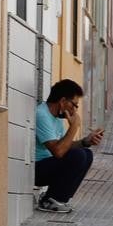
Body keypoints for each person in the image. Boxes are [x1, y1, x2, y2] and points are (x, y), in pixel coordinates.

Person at [34, 79, 104, 213]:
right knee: (78, 155)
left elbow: (64, 145)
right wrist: (75, 126)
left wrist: (85, 141)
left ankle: (59, 199)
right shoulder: (42, 115)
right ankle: (50, 200)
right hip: (36, 170)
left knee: (86, 153)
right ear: (63, 101)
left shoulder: (56, 117)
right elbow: (59, 152)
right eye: (74, 105)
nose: (75, 110)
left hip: (48, 166)